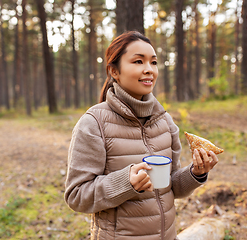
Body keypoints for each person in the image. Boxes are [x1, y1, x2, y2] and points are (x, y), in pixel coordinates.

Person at [64, 31, 219, 240]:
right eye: (138, 61)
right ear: (114, 71)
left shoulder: (165, 122)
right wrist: (125, 183)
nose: (149, 70)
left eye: (153, 63)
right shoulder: (94, 123)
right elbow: (76, 196)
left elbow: (171, 185)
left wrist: (195, 173)